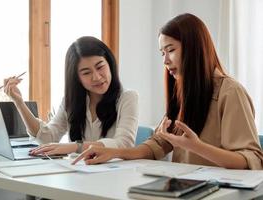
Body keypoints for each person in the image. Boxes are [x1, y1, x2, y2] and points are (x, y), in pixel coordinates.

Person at [72, 14, 263, 170]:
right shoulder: (184, 91)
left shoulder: (230, 92)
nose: (165, 61)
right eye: (162, 53)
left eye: (170, 50)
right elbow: (157, 144)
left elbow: (250, 160)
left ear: (194, 48)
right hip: (184, 188)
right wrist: (114, 153)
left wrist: (197, 147)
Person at [4, 36, 139, 156]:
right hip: (79, 174)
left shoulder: (127, 98)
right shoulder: (71, 101)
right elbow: (47, 138)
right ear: (77, 78)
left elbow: (124, 144)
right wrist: (19, 102)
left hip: (114, 176)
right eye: (86, 73)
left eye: (100, 67)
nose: (97, 77)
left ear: (109, 64)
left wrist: (75, 147)